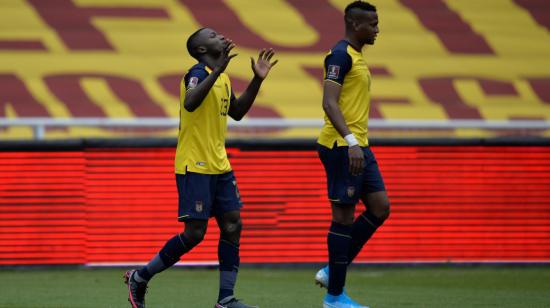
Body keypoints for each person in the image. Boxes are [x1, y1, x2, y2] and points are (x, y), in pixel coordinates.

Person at [124, 28, 277, 308]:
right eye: (212, 35)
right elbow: (191, 102)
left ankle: (226, 300)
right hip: (194, 164)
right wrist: (216, 72)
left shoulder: (223, 77)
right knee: (195, 233)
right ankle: (140, 277)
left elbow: (238, 112)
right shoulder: (197, 72)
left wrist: (257, 79)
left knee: (233, 225)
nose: (220, 36)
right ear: (202, 50)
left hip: (220, 164)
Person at [314, 2, 390, 308]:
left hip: (359, 145)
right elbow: (329, 103)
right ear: (355, 24)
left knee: (380, 207)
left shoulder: (356, 57)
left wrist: (358, 142)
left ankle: (333, 269)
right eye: (372, 24)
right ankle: (334, 298)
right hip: (342, 146)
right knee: (343, 217)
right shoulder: (340, 55)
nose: (376, 29)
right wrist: (350, 141)